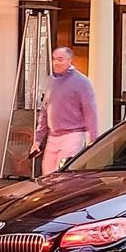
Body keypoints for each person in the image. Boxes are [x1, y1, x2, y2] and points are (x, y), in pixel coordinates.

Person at [29, 47, 98, 176]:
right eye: (54, 59)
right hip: (53, 136)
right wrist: (38, 139)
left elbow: (90, 111)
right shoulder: (51, 81)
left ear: (70, 60)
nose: (56, 63)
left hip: (73, 135)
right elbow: (44, 112)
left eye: (60, 59)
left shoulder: (82, 82)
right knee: (47, 175)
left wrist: (93, 138)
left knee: (63, 175)